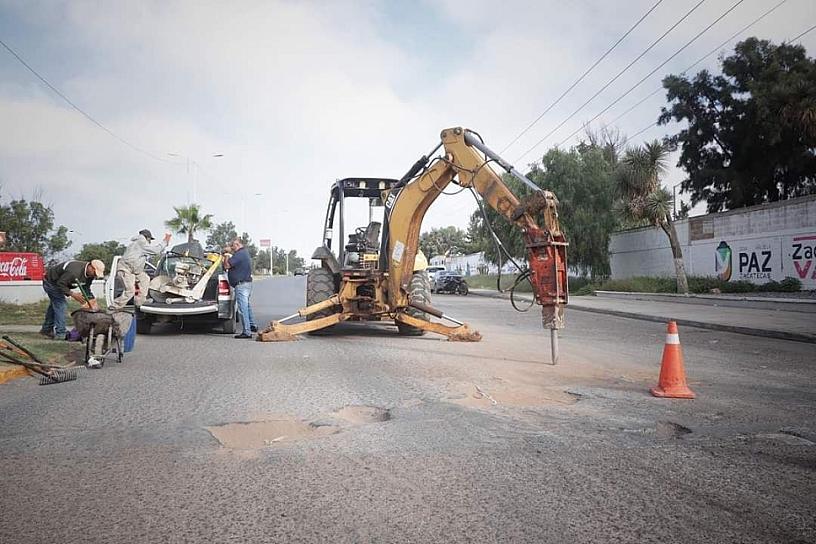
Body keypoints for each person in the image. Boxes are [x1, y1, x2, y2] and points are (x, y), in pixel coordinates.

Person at [40, 259, 105, 340]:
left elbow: (86, 288)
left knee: (55, 305)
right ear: (90, 267)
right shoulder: (74, 271)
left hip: (61, 283)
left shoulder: (90, 276)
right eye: (95, 273)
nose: (95, 276)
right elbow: (60, 284)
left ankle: (46, 329)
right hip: (51, 282)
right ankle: (61, 333)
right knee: (61, 305)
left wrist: (92, 301)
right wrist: (73, 294)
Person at [110, 229, 171, 310]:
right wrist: (165, 241)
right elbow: (156, 250)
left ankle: (140, 303)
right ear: (147, 238)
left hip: (134, 271)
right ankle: (114, 307)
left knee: (145, 279)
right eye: (150, 240)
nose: (150, 242)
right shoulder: (141, 242)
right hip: (126, 270)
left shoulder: (135, 244)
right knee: (130, 291)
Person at [223, 237, 256, 339]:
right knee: (247, 306)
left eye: (233, 246)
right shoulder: (244, 253)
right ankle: (252, 325)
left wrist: (226, 256)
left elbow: (227, 266)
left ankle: (247, 332)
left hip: (241, 285)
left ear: (237, 245)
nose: (232, 248)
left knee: (242, 309)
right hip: (246, 283)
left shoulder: (239, 254)